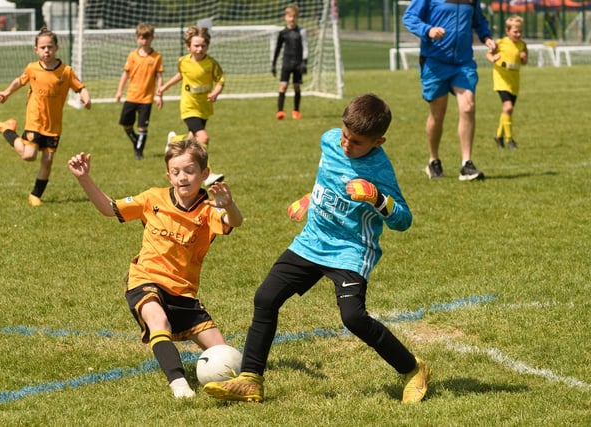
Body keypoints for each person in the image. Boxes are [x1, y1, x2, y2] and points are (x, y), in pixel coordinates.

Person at [203, 94, 431, 404]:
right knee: (266, 298)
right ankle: (251, 379)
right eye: (344, 135)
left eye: (357, 142)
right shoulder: (329, 140)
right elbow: (330, 176)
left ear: (379, 142)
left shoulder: (379, 169)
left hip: (350, 248)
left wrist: (377, 198)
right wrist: (312, 199)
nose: (346, 144)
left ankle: (412, 368)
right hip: (313, 239)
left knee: (353, 317)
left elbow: (403, 221)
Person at [67, 138, 244, 399]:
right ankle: (179, 384)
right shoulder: (153, 198)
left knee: (226, 357)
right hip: (145, 279)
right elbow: (109, 208)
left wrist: (228, 204)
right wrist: (84, 178)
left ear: (204, 174)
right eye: (176, 172)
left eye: (190, 171)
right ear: (168, 175)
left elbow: (234, 221)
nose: (182, 177)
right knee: (157, 320)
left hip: (183, 292)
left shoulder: (208, 209)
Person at [0, 26, 91, 207]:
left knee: (48, 160)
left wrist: (86, 97)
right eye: (43, 47)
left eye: (50, 47)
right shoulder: (32, 68)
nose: (47, 51)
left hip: (54, 125)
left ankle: (35, 195)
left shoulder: (66, 71)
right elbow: (19, 81)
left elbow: (80, 87)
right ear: (36, 49)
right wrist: (6, 93)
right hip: (35, 120)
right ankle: (7, 129)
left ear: (56, 48)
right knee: (29, 155)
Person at [403, 0, 496, 181]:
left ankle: (466, 164)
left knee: (468, 107)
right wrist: (428, 30)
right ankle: (433, 160)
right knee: (438, 114)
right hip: (435, 62)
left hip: (463, 63)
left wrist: (486, 37)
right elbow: (410, 17)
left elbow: (479, 20)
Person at [157, 26, 225, 187]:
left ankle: (173, 140)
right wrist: (163, 88)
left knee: (191, 139)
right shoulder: (183, 61)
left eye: (203, 45)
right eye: (196, 45)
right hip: (188, 106)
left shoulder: (211, 64)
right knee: (203, 138)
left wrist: (215, 92)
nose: (200, 48)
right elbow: (181, 75)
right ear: (189, 46)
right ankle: (206, 173)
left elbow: (220, 80)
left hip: (204, 107)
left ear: (207, 46)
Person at [115, 23, 164, 160]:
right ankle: (137, 141)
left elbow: (159, 76)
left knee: (142, 127)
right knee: (125, 123)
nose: (145, 41)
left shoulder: (156, 57)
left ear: (152, 38)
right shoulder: (132, 56)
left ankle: (139, 152)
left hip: (146, 99)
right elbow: (125, 74)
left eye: (147, 38)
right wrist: (119, 91)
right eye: (142, 38)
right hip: (132, 96)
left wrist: (159, 95)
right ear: (137, 38)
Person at [486, 16, 528, 150]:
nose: (518, 34)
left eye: (520, 31)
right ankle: (510, 140)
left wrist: (524, 58)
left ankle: (498, 136)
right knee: (508, 107)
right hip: (501, 79)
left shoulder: (522, 45)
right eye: (515, 32)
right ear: (507, 31)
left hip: (514, 81)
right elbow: (488, 54)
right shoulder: (501, 43)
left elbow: (524, 62)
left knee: (507, 111)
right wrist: (493, 57)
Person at [272, 3, 309, 120]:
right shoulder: (283, 33)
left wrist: (305, 62)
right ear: (285, 17)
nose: (292, 19)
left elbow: (306, 47)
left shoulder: (302, 32)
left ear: (297, 18)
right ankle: (280, 111)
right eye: (289, 16)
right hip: (286, 63)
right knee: (283, 86)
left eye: (294, 16)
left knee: (297, 87)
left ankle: (296, 111)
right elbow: (277, 48)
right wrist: (273, 63)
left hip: (298, 64)